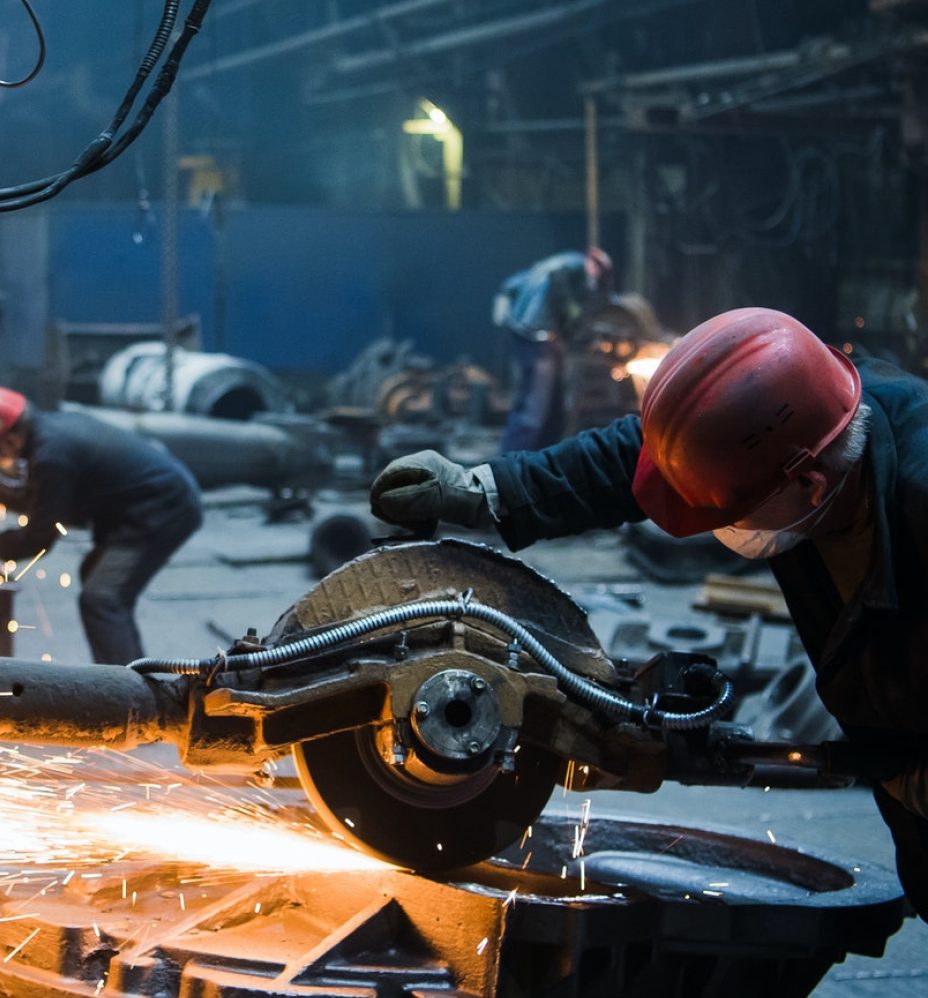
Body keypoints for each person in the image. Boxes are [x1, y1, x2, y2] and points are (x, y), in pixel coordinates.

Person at [370, 305, 928, 913]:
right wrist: (489, 489)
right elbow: (644, 457)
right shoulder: (810, 412)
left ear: (812, 485)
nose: (721, 524)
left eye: (727, 511)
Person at [0, 386, 203, 666]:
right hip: (151, 502)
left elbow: (38, 539)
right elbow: (43, 500)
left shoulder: (52, 457)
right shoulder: (51, 430)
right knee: (98, 579)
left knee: (102, 599)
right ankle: (135, 670)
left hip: (162, 509)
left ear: (9, 442)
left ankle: (127, 694)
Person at [494, 247, 614, 451]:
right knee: (533, 412)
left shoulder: (557, 261)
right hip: (538, 341)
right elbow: (561, 294)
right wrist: (572, 321)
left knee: (551, 410)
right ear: (594, 265)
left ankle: (542, 459)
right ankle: (510, 462)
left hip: (530, 338)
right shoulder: (574, 267)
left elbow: (511, 285)